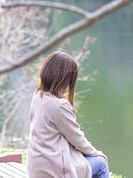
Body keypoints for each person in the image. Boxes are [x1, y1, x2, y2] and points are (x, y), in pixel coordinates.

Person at [27, 50, 110, 178]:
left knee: (85, 159)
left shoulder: (38, 96)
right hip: (55, 171)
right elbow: (77, 139)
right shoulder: (59, 106)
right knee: (101, 163)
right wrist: (97, 153)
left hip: (37, 168)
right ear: (66, 79)